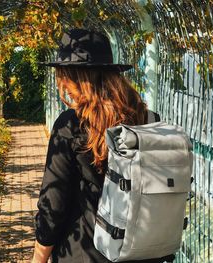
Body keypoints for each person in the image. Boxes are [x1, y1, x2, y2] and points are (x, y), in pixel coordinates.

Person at [32, 29, 174, 263]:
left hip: (85, 254)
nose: (63, 85)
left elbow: (53, 208)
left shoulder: (71, 126)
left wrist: (37, 259)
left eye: (64, 75)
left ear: (72, 76)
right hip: (144, 253)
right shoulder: (149, 120)